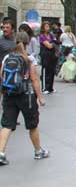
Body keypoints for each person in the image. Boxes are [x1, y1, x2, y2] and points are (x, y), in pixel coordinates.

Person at [0, 31, 48, 166]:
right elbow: (34, 79)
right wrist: (40, 97)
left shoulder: (7, 57)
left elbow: (1, 76)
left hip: (9, 95)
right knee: (32, 125)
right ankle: (38, 151)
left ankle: (1, 153)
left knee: (7, 124)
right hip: (26, 96)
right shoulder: (29, 58)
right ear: (28, 42)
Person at [38, 21, 57, 94]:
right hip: (45, 54)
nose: (48, 28)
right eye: (46, 26)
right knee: (46, 70)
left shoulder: (51, 35)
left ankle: (50, 87)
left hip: (52, 55)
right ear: (43, 27)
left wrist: (52, 44)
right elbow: (48, 45)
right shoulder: (42, 36)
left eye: (48, 26)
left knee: (52, 71)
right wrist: (52, 44)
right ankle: (44, 87)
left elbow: (55, 42)